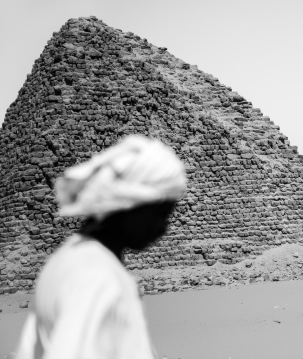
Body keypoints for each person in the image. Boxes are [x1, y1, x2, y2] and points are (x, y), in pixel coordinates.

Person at [16, 135, 187, 359]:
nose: (163, 228)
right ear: (129, 203)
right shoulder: (97, 277)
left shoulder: (67, 260)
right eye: (161, 214)